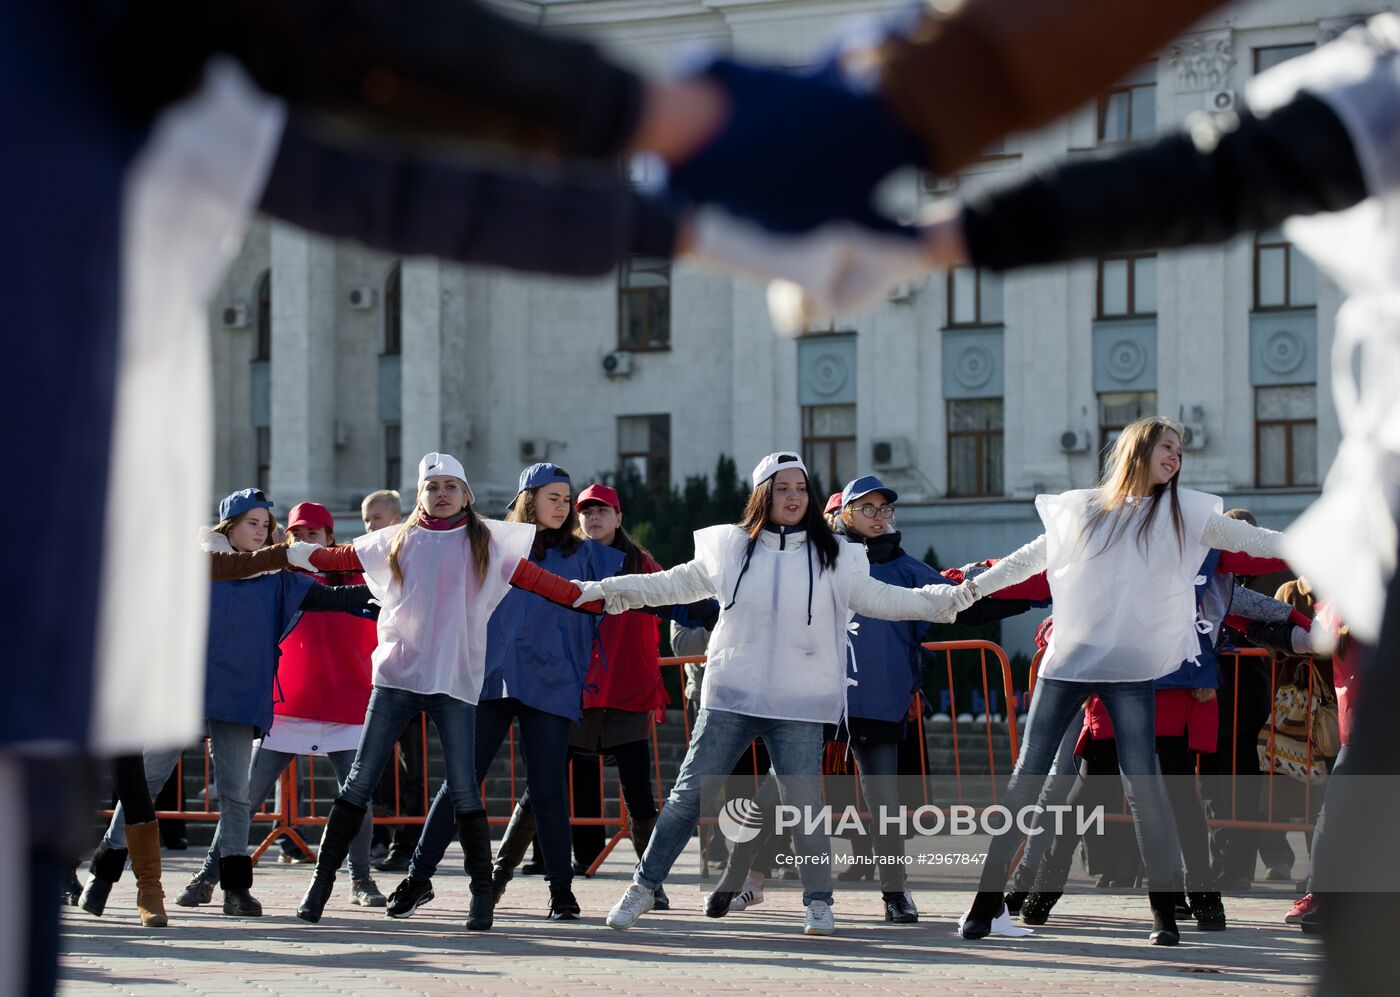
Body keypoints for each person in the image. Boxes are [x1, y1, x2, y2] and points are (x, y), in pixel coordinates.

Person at [574, 452, 968, 936]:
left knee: (804, 804)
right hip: (731, 696)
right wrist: (603, 590)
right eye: (782, 488)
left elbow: (888, 600)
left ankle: (819, 903)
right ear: (763, 494)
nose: (794, 496)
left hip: (800, 704)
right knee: (688, 795)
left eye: (801, 487)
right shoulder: (731, 548)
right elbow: (669, 584)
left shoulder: (836, 556)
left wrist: (947, 600)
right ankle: (641, 886)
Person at [947, 417, 1289, 944]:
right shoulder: (1083, 509)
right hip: (1070, 662)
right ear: (1138, 450)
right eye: (1167, 446)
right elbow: (1026, 562)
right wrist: (962, 594)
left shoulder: (1187, 514)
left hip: (1130, 667)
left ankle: (1163, 919)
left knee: (1144, 787)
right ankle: (984, 906)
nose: (1176, 456)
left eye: (1181, 449)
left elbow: (1261, 541)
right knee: (1027, 780)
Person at [288, 454, 602, 928]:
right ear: (420, 494)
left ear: (466, 494)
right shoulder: (395, 539)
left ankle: (484, 897)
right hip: (399, 678)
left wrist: (599, 596)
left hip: (457, 682)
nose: (441, 493)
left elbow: (546, 584)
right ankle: (323, 888)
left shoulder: (489, 543)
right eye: (432, 486)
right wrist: (274, 554)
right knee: (359, 783)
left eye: (451, 485)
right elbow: (332, 557)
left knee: (468, 790)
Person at [90, 489, 372, 920]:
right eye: (251, 523)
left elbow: (330, 598)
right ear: (229, 526)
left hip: (240, 691)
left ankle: (235, 888)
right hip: (180, 691)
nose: (260, 532)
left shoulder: (277, 575)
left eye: (265, 525)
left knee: (237, 794)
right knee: (145, 781)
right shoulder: (199, 561)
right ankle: (104, 874)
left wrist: (382, 592)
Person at [386, 464, 626, 923]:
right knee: (459, 782)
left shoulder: (589, 553)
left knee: (548, 791)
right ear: (527, 498)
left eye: (567, 498)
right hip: (490, 677)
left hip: (553, 682)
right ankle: (418, 878)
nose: (564, 505)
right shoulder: (493, 542)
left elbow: (641, 573)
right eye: (553, 496)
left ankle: (561, 892)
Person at [177, 501, 386, 911]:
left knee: (356, 798)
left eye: (314, 533)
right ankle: (208, 875)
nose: (305, 540)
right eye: (297, 533)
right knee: (244, 796)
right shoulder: (272, 574)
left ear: (330, 537)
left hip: (345, 702)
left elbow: (368, 605)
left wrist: (396, 585)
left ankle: (360, 879)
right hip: (286, 705)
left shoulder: (358, 577)